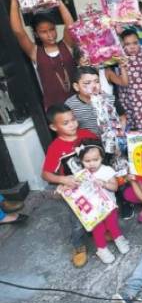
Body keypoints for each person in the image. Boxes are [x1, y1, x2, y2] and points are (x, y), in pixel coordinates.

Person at [41, 104, 98, 267]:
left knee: (97, 210)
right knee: (77, 221)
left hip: (92, 184)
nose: (72, 124)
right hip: (73, 190)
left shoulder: (87, 135)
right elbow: (45, 174)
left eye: (73, 120)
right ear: (54, 126)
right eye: (65, 123)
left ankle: (97, 231)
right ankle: (78, 244)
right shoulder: (55, 148)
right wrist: (63, 180)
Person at [4, 0, 77, 109]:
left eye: (52, 29)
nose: (50, 35)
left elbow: (71, 26)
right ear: (36, 34)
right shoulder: (35, 52)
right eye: (44, 32)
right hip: (54, 109)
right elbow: (18, 31)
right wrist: (14, 0)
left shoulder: (66, 45)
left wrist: (58, 0)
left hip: (78, 104)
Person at [71, 140, 130, 263]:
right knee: (98, 230)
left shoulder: (107, 170)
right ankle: (101, 249)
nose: (91, 164)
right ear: (81, 161)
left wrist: (104, 183)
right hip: (93, 210)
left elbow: (115, 187)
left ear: (102, 157)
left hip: (109, 206)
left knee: (112, 224)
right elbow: (73, 187)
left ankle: (119, 239)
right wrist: (64, 188)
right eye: (87, 161)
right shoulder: (81, 174)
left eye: (95, 160)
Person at [65, 66, 124, 137]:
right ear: (76, 87)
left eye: (97, 81)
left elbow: (122, 117)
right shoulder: (70, 105)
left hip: (110, 142)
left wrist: (119, 133)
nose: (94, 86)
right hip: (85, 144)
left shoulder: (110, 99)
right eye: (87, 83)